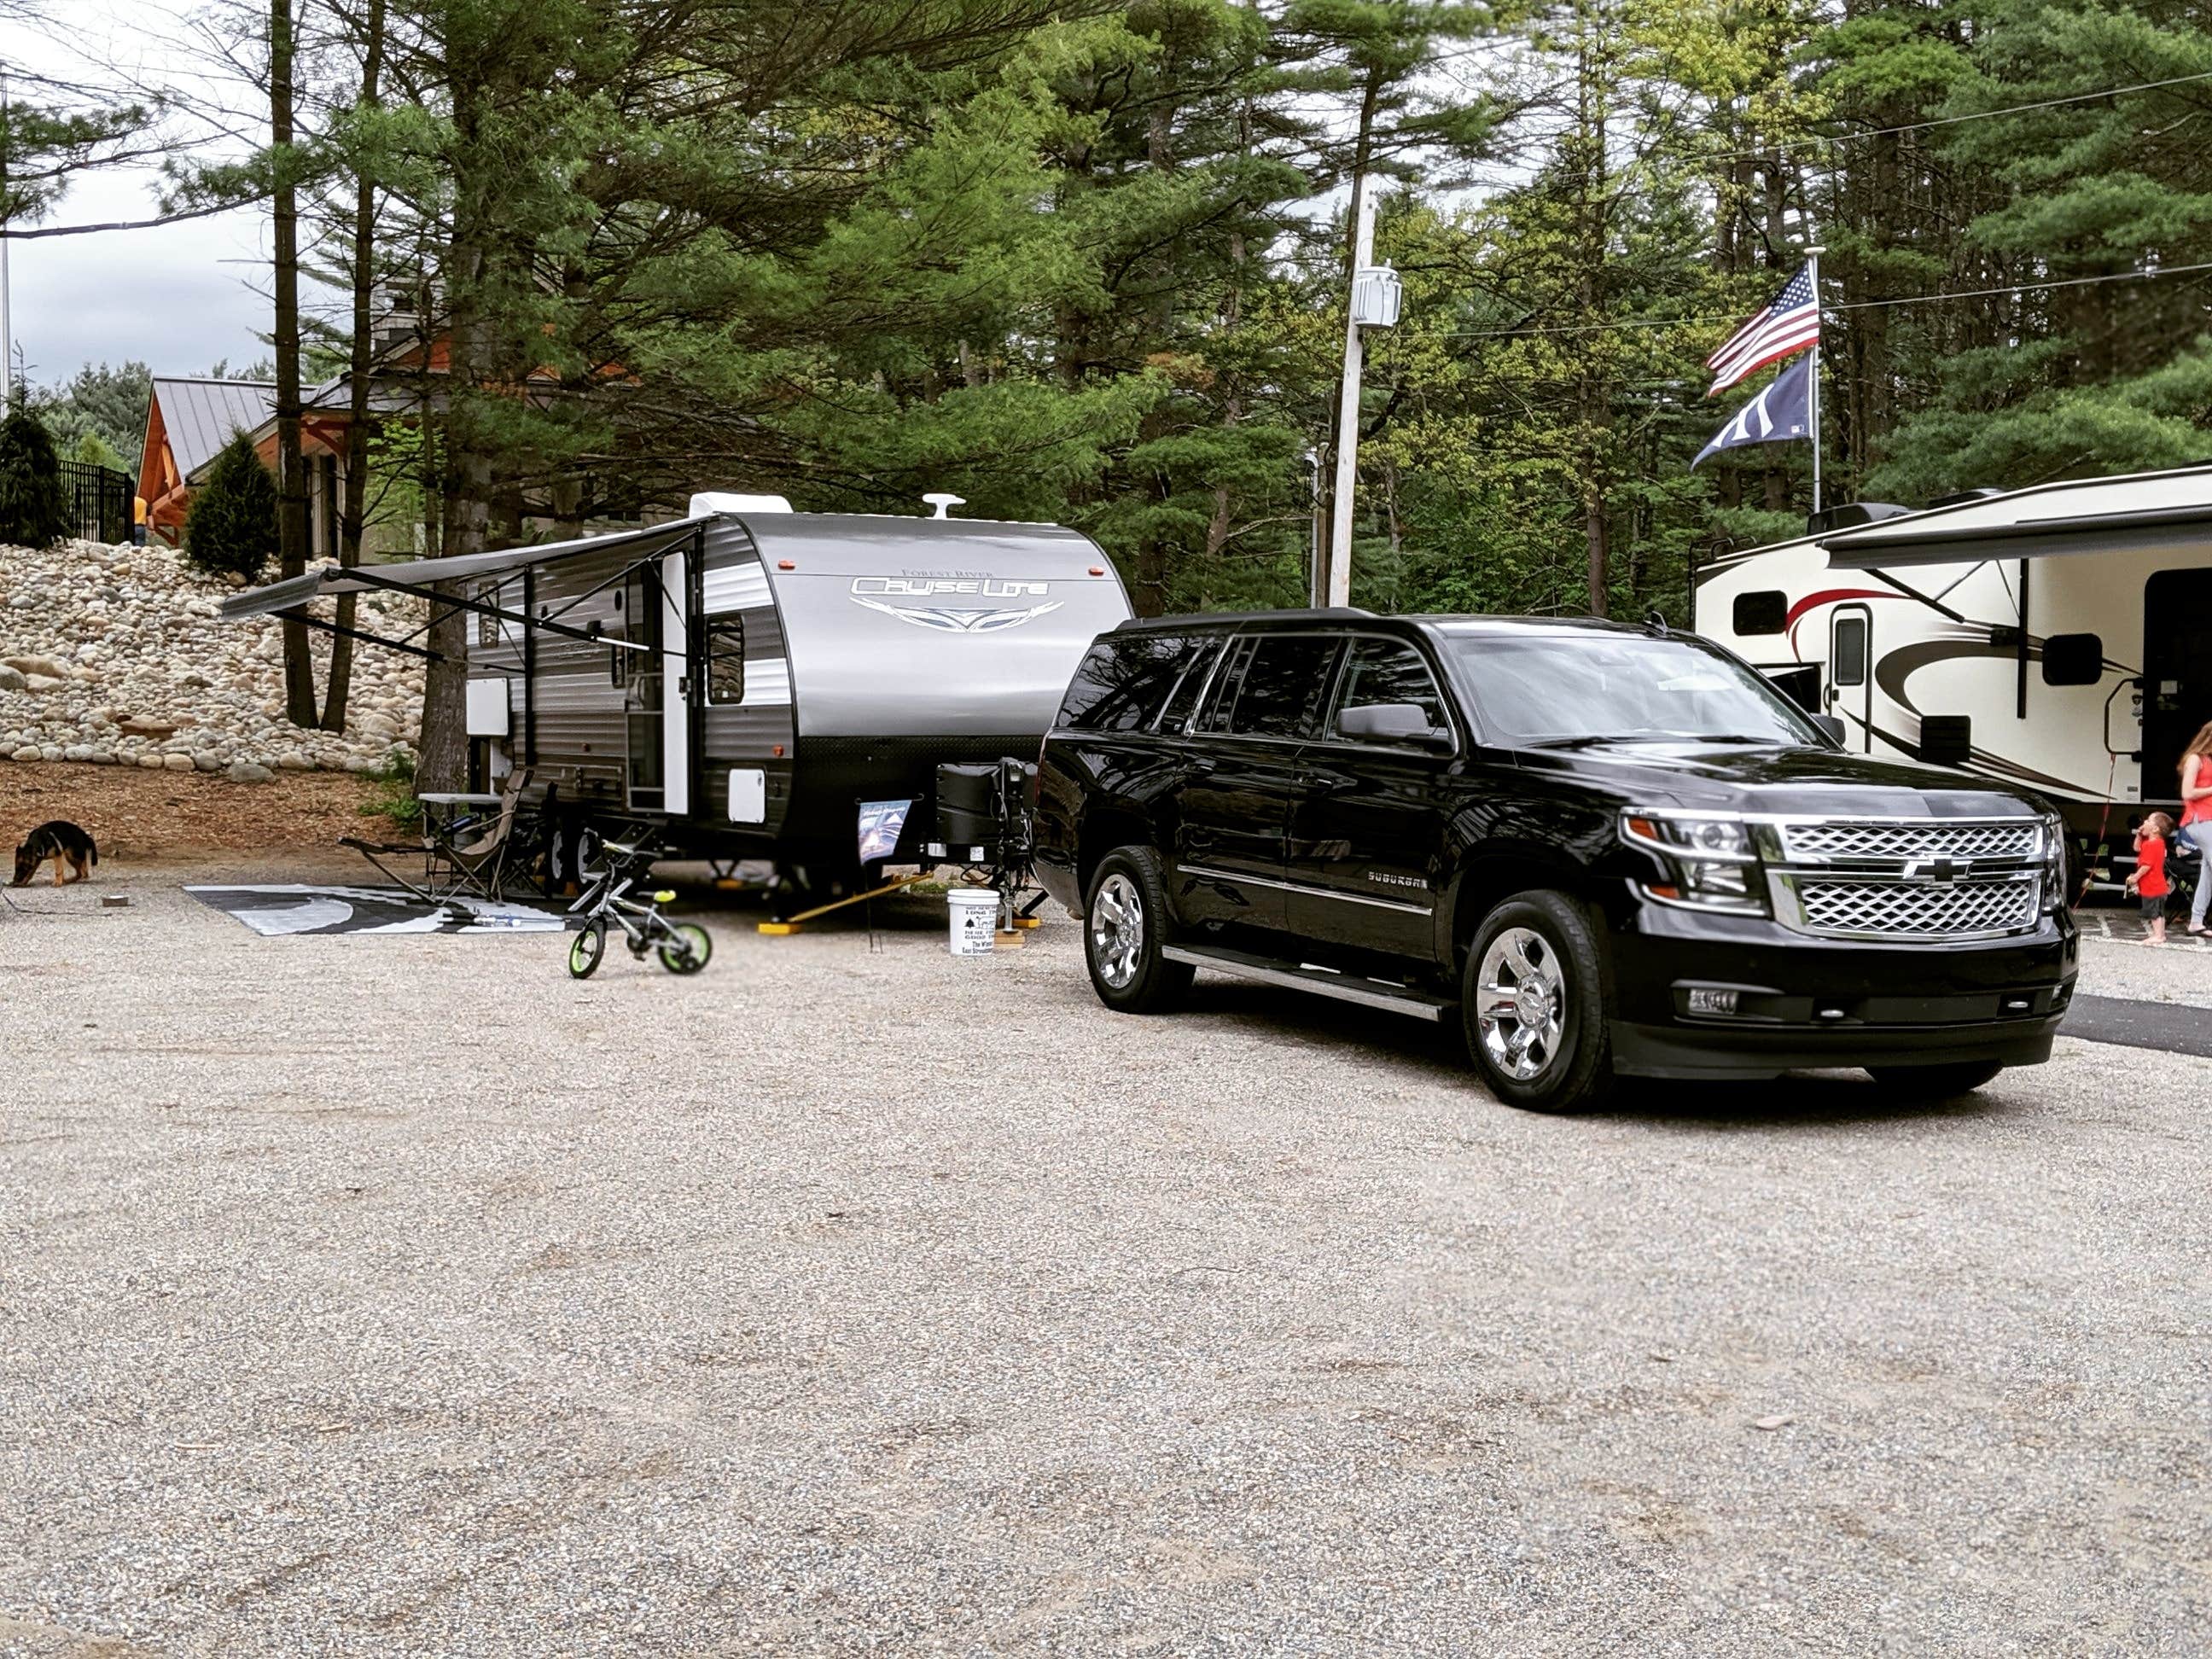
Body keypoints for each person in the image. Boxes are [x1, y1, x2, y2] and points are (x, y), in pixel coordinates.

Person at [2182, 722, 2212, 936]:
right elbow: (2187, 792)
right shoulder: (2195, 759)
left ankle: (2196, 921)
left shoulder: (2209, 760)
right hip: (2199, 819)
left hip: (2208, 819)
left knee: (2207, 873)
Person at [2128, 812, 2175, 945]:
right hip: (2158, 886)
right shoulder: (2157, 843)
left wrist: (2136, 877)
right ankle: (2161, 935)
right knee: (2159, 912)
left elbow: (2146, 866)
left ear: (2155, 829)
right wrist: (2138, 835)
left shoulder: (2152, 845)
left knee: (2154, 913)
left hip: (2153, 886)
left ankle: (2158, 936)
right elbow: (2137, 848)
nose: (2144, 822)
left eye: (2148, 821)